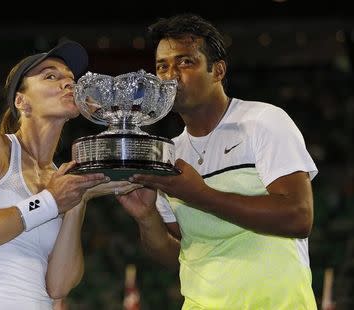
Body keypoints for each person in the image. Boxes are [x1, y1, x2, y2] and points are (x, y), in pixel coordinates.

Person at [117, 14, 318, 309]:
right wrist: (146, 217)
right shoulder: (168, 153)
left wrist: (200, 195)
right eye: (162, 66)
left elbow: (299, 217)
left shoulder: (262, 122)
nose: (171, 75)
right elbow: (178, 255)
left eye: (185, 62)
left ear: (218, 70)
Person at [0, 39, 136, 309]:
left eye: (71, 79)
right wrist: (50, 202)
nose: (68, 83)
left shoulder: (61, 181)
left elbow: (58, 286)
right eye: (51, 76)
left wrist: (77, 202)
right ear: (22, 101)